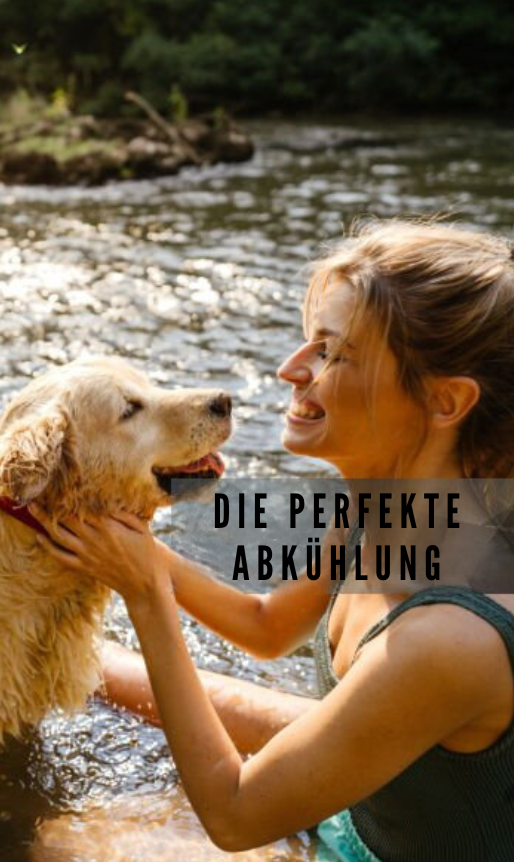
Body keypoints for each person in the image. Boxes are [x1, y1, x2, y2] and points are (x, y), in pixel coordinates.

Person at [30, 219, 514, 861]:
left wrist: (145, 593)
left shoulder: (451, 638)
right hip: (358, 817)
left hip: (349, 843)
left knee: (60, 843)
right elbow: (267, 628)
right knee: (90, 723)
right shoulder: (381, 508)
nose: (291, 370)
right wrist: (131, 557)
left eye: (332, 353)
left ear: (445, 401)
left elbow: (235, 815)